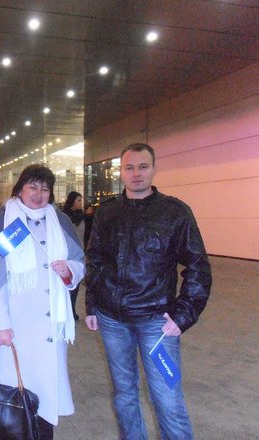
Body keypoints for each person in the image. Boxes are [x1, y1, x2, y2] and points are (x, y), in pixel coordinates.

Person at [85, 143, 212, 439]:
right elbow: (95, 260)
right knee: (124, 395)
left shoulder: (175, 213)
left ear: (154, 169)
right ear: (121, 172)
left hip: (157, 324)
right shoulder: (107, 213)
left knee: (168, 400)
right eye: (129, 167)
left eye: (143, 167)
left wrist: (184, 315)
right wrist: (92, 304)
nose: (136, 173)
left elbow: (198, 266)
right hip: (113, 322)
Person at [0, 164, 85, 439]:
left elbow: (79, 260)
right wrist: (0, 323)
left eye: (45, 189)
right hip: (16, 325)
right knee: (13, 393)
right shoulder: (5, 220)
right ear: (20, 189)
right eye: (33, 187)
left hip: (51, 326)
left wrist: (70, 270)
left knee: (45, 398)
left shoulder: (60, 220)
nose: (39, 194)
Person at [62, 191, 85, 320]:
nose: (81, 203)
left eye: (81, 200)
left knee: (76, 282)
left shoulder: (83, 216)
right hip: (66, 253)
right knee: (66, 282)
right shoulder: (63, 217)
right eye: (78, 200)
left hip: (80, 252)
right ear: (72, 201)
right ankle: (66, 309)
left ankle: (71, 308)